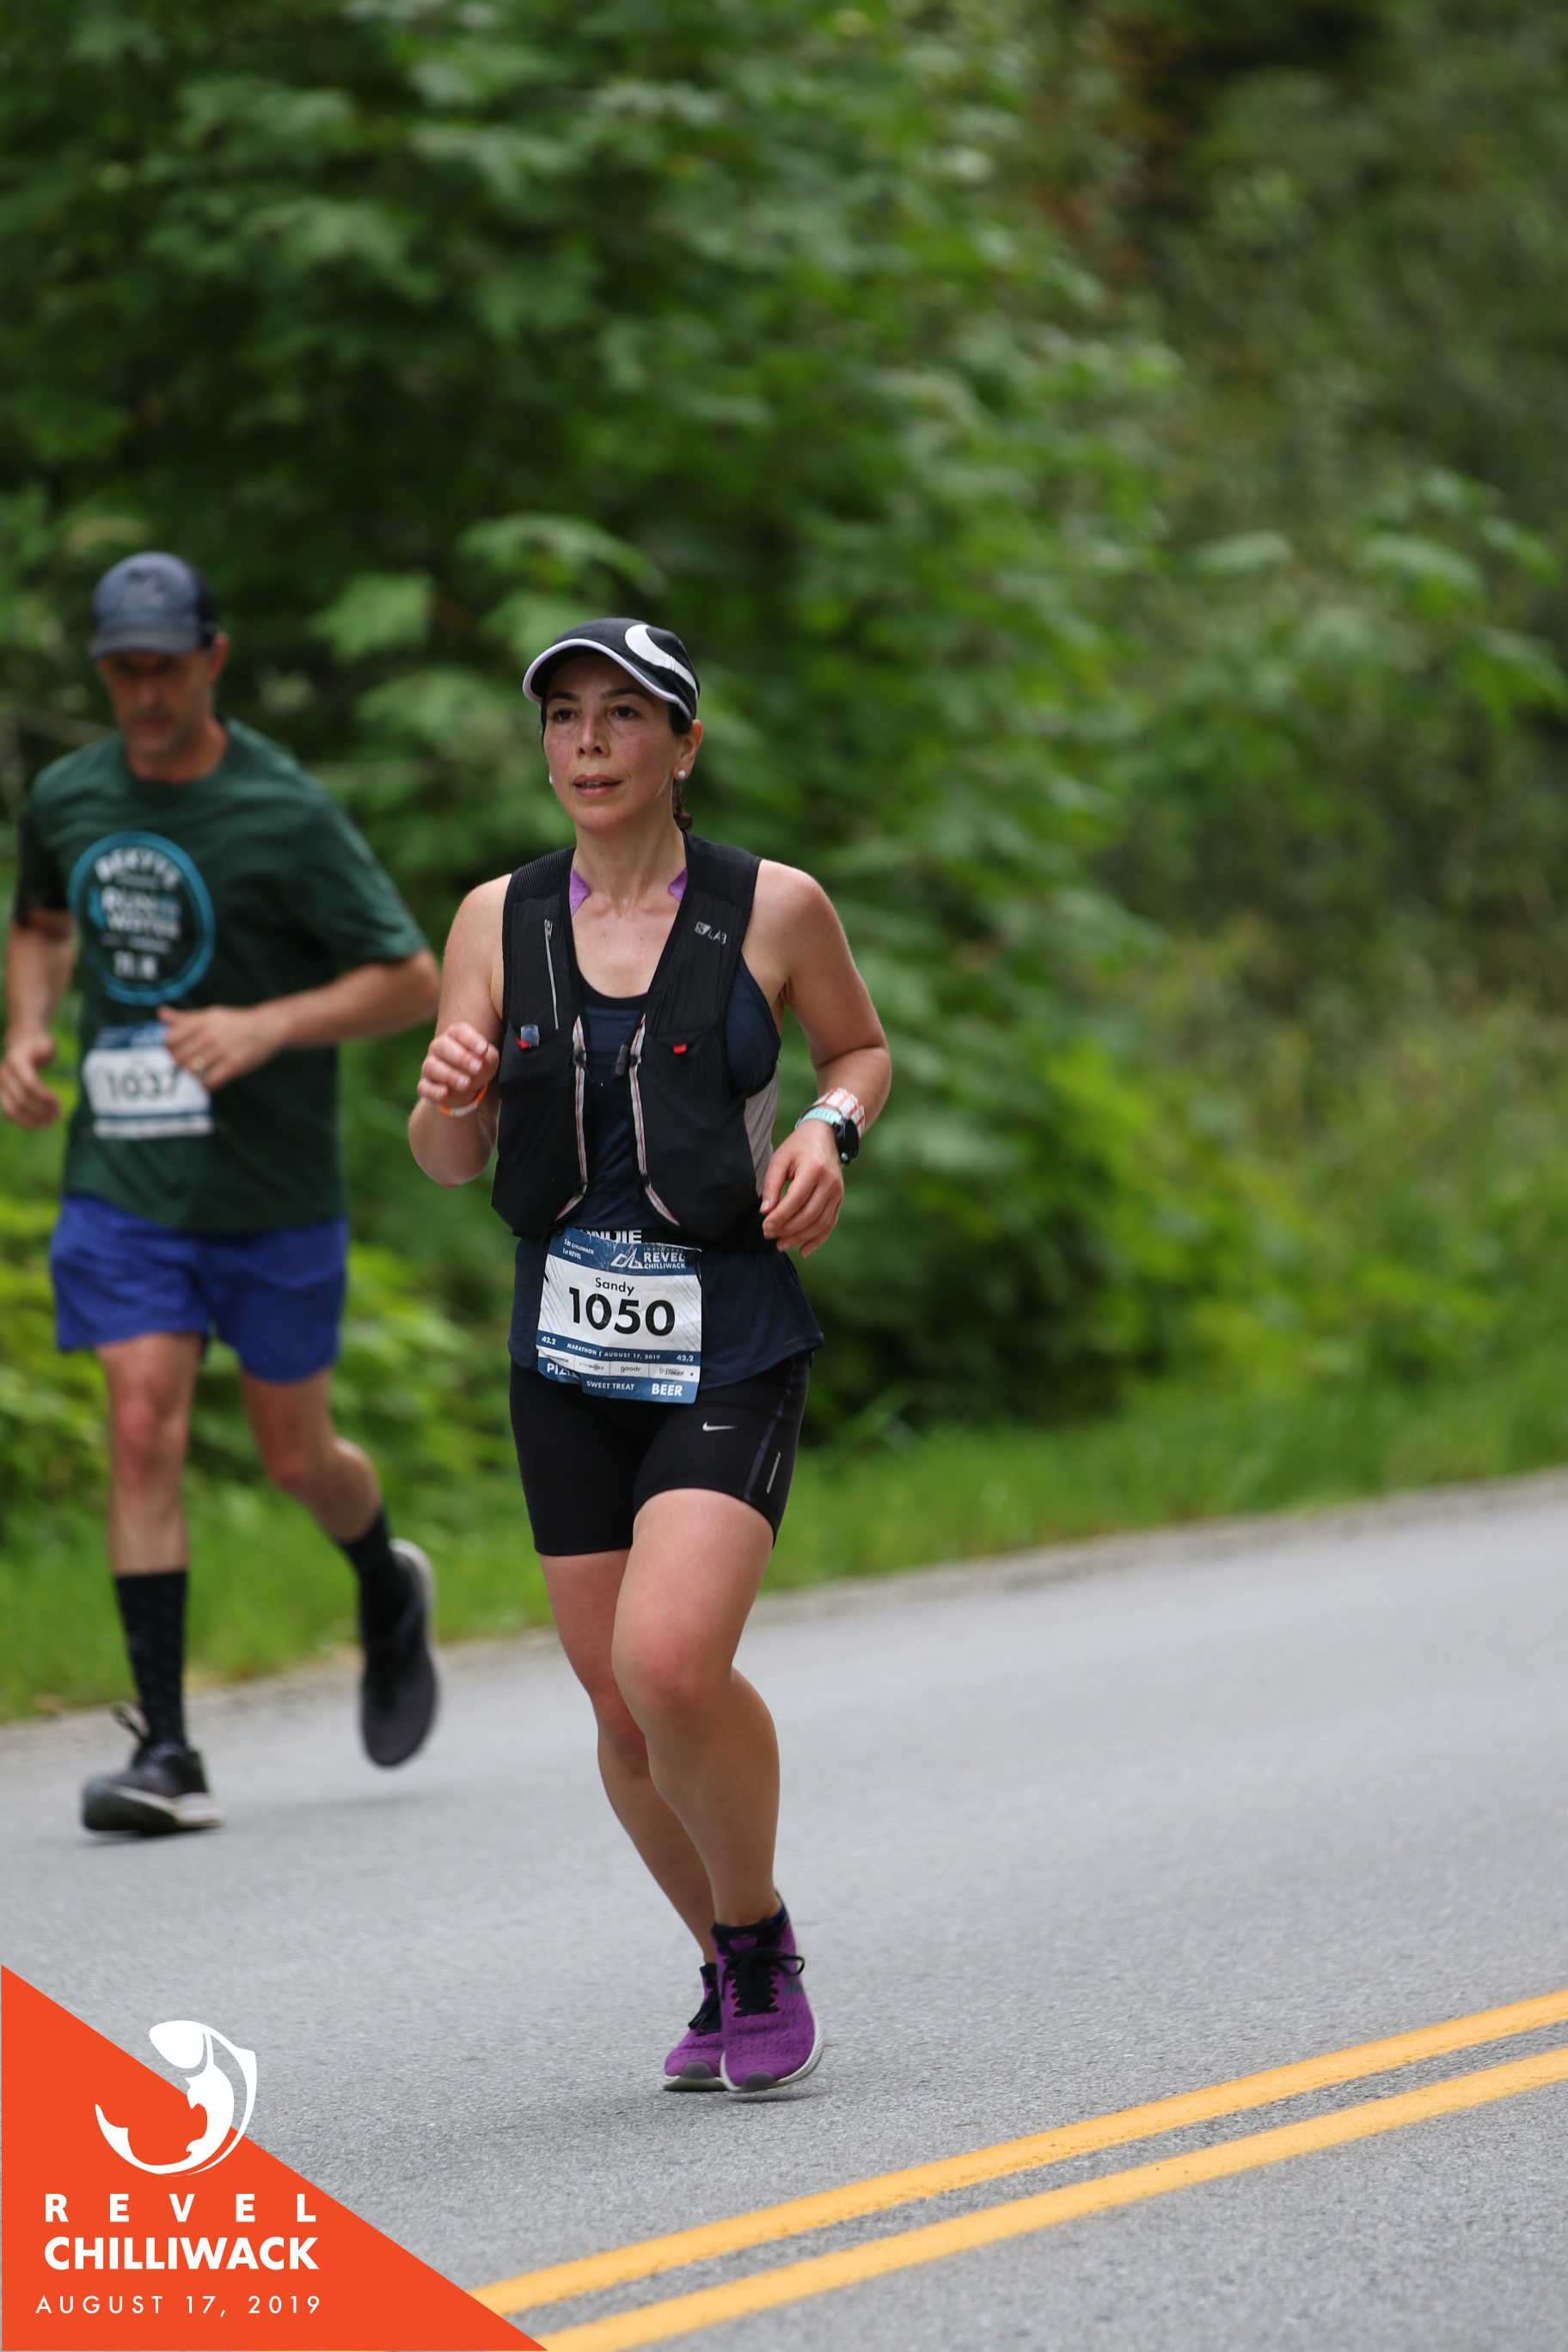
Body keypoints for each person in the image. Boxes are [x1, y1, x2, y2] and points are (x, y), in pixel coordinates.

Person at [409, 617, 891, 2094]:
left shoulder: (775, 907)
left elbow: (860, 1053)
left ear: (685, 745)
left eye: (625, 715)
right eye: (564, 716)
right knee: (619, 1710)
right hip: (562, 1354)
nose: (590, 743)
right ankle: (731, 1955)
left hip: (727, 1336)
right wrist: (447, 1092)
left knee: (670, 1664)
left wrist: (830, 1131)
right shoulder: (494, 919)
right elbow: (448, 1159)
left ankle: (756, 1940)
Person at [1, 551, 444, 1837]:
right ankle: (167, 1749)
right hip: (125, 1178)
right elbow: (42, 921)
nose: (144, 694)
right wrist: (28, 1027)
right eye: (121, 672)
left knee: (295, 1454)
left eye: (164, 668)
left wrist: (265, 1025)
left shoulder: (285, 811)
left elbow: (409, 977)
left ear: (213, 659)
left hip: (269, 1185)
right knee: (141, 1424)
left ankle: (384, 1580)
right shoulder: (70, 796)